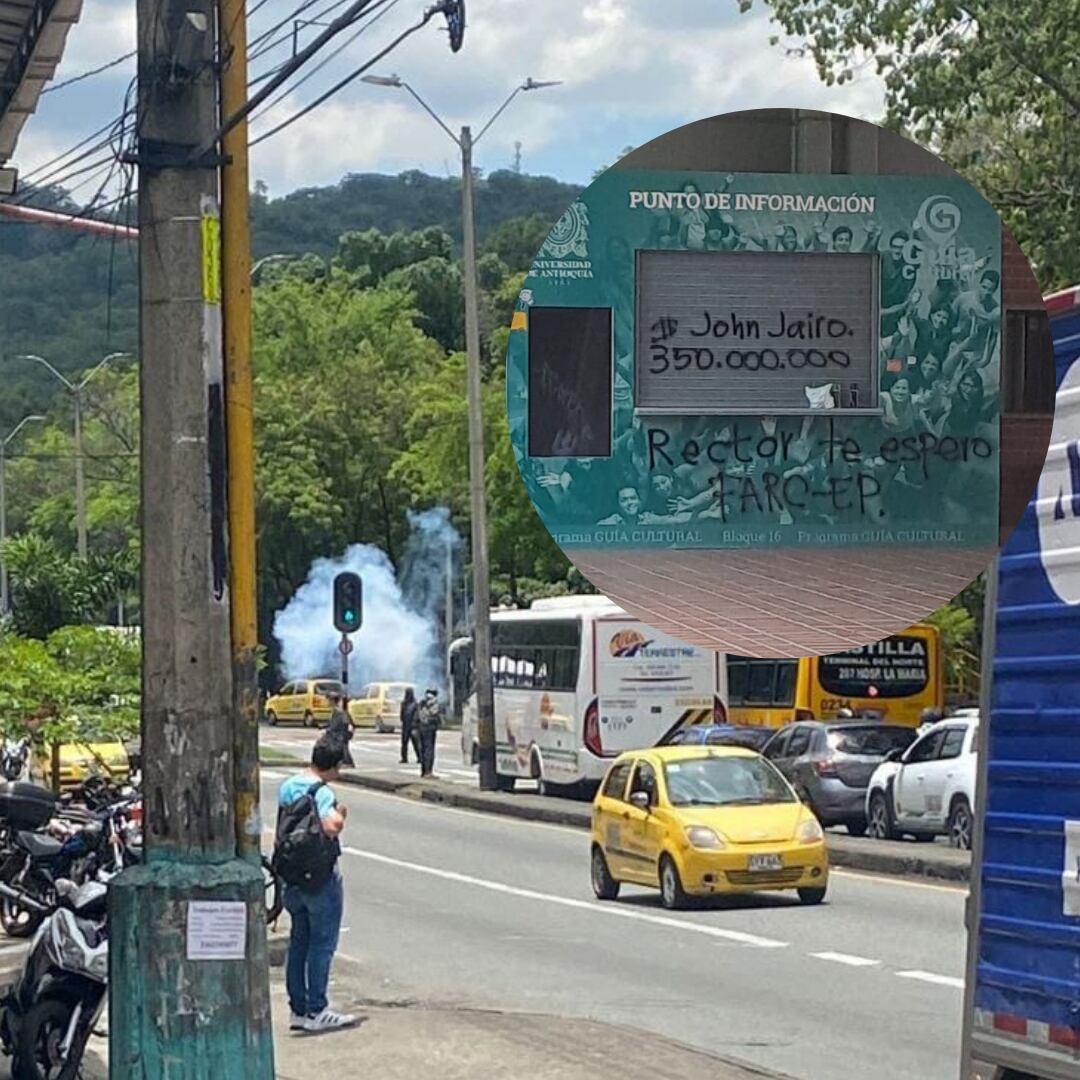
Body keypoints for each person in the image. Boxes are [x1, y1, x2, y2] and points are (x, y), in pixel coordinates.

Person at [276, 736, 356, 1034]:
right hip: (319, 877)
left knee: (299, 941)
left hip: (292, 876)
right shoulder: (322, 792)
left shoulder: (289, 786)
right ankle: (317, 1009)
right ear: (333, 766)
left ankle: (298, 1008)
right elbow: (331, 826)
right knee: (322, 944)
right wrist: (341, 814)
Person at [323, 692, 354, 768]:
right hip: (339, 733)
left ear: (333, 701)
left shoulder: (339, 711)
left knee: (341, 747)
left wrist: (329, 730)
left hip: (341, 734)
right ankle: (343, 762)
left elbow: (343, 723)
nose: (328, 702)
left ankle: (347, 762)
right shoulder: (335, 711)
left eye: (329, 700)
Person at [417, 688, 442, 778]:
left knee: (423, 749)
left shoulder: (421, 702)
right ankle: (428, 772)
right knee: (429, 750)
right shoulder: (433, 703)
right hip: (430, 729)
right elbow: (435, 716)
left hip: (421, 728)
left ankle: (423, 771)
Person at [399, 687, 419, 765]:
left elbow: (416, 715)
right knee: (406, 743)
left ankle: (418, 757)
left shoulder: (414, 704)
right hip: (407, 725)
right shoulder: (406, 703)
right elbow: (401, 715)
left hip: (411, 725)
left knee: (415, 743)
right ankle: (404, 758)